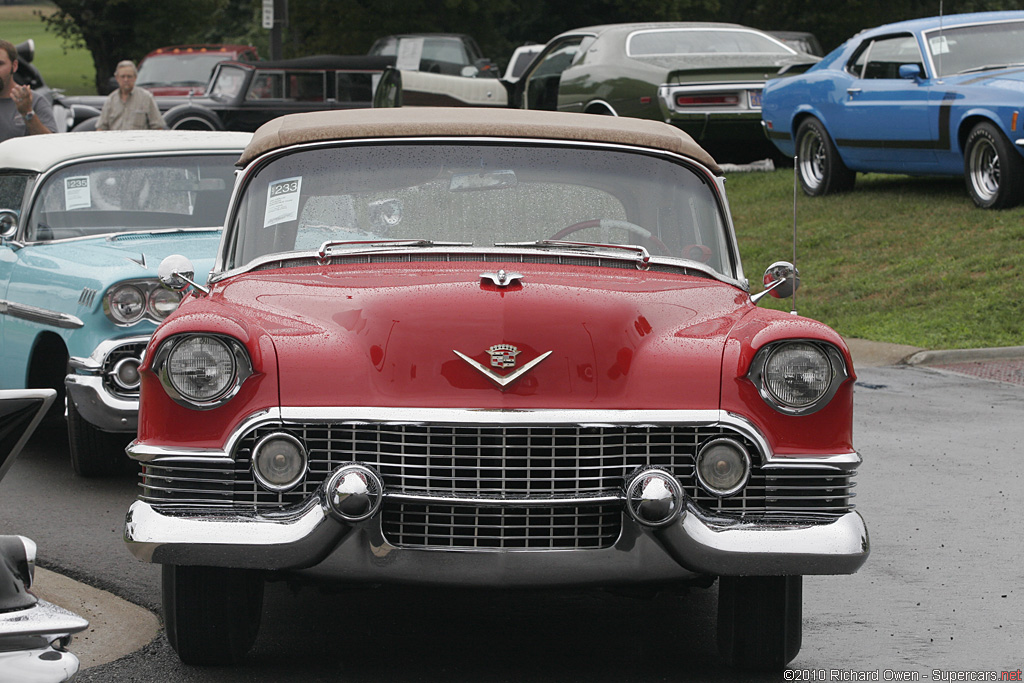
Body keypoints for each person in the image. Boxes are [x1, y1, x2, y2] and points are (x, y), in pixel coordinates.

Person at [0, 39, 56, 141]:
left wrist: (27, 113)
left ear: (14, 66)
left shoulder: (34, 101)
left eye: (0, 64)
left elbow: (51, 144)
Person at [96, 60, 166, 131]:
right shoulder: (111, 100)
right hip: (116, 141)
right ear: (117, 78)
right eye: (123, 76)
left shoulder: (146, 98)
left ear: (135, 77)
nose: (126, 79)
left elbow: (158, 127)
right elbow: (101, 128)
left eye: (129, 76)